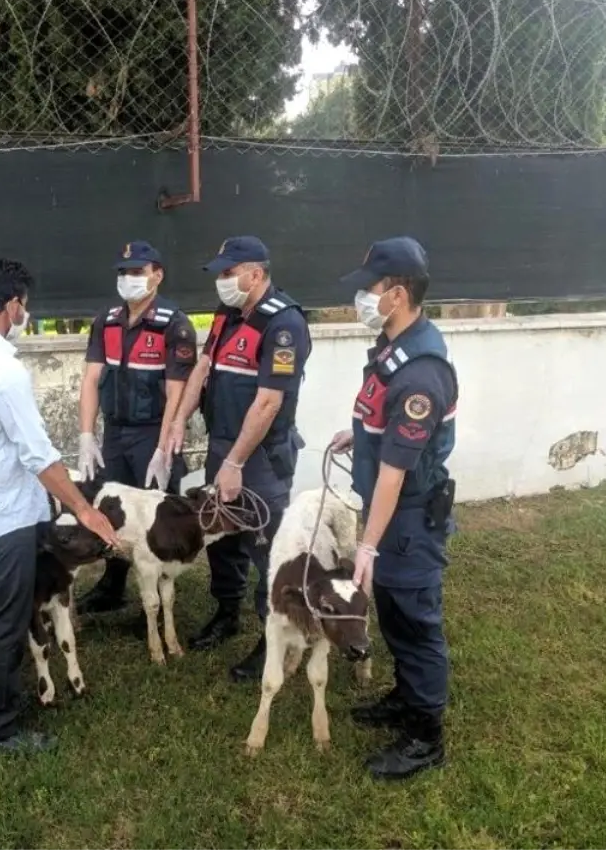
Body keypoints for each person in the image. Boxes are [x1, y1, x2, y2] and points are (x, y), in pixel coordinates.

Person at [0, 257, 120, 754]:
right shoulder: (3, 369)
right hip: (2, 516)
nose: (26, 312)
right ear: (12, 305)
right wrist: (84, 509)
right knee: (6, 619)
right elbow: (38, 455)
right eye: (25, 305)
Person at [328, 235, 458, 780]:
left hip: (405, 518)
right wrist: (358, 436)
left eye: (369, 288)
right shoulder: (394, 348)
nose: (361, 297)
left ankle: (426, 735)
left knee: (415, 621)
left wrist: (366, 543)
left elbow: (396, 469)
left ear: (397, 294)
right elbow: (386, 431)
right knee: (395, 615)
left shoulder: (420, 373)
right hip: (392, 515)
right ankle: (406, 699)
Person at [167, 236, 311, 682]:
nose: (223, 281)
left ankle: (274, 637)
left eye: (229, 273)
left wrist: (234, 464)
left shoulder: (284, 324)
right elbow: (202, 369)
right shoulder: (229, 317)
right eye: (221, 274)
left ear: (256, 273)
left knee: (266, 549)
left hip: (259, 457)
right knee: (223, 539)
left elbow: (268, 403)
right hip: (222, 445)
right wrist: (177, 420)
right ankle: (226, 612)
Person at [75, 240, 198, 618]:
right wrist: (86, 434)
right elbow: (91, 378)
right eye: (123, 272)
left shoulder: (173, 324)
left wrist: (163, 448)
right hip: (116, 432)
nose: (128, 279)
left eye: (137, 272)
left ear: (157, 275)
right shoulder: (107, 320)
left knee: (157, 518)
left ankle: (160, 600)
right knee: (113, 512)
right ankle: (113, 587)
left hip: (152, 433)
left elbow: (175, 391)